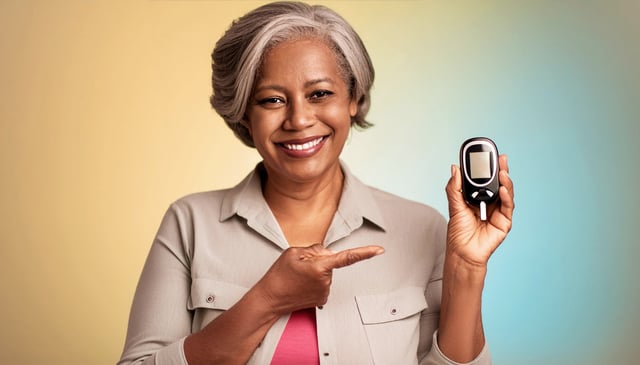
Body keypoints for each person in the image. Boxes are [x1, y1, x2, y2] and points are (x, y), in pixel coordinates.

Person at [117, 1, 515, 364]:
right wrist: (269, 299)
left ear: (353, 99)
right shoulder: (189, 223)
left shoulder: (423, 228)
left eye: (320, 93)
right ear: (243, 114)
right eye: (272, 99)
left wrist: (465, 267)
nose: (299, 120)